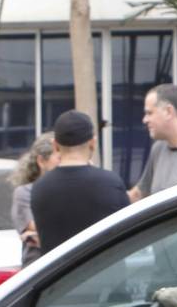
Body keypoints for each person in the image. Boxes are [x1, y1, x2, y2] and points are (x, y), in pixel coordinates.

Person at [31, 110, 129, 255]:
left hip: (60, 276)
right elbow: (128, 231)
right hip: (108, 275)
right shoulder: (111, 183)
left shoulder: (39, 188)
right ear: (93, 143)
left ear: (55, 145)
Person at [8, 132, 59, 266]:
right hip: (38, 268)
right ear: (41, 161)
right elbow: (36, 225)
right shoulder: (25, 192)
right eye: (59, 158)